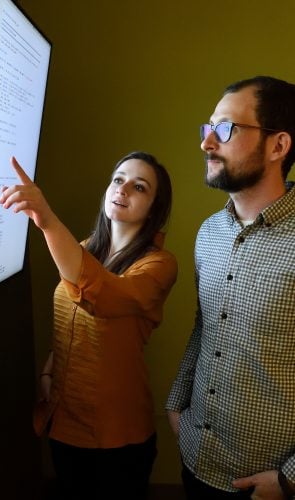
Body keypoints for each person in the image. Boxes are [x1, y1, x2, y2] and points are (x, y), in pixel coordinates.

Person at [0, 151, 178, 499]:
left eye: (139, 186)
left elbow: (103, 296)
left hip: (118, 435)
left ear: (155, 208)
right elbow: (71, 315)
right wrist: (50, 371)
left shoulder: (160, 265)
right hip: (65, 422)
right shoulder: (83, 249)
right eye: (118, 179)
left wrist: (46, 218)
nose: (123, 189)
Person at [166, 75, 295, 500]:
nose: (207, 143)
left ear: (278, 146)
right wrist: (177, 401)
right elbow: (205, 329)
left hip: (266, 484)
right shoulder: (209, 233)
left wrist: (290, 478)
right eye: (208, 129)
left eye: (225, 129)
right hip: (197, 459)